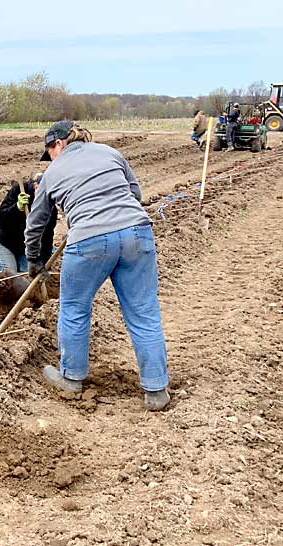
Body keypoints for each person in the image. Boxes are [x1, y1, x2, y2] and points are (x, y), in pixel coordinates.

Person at [25, 120, 170, 411]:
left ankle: (71, 378)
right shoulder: (108, 152)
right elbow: (136, 195)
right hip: (137, 233)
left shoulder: (52, 172)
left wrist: (33, 259)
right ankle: (156, 390)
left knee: (74, 308)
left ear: (59, 144)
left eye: (50, 151)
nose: (51, 157)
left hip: (89, 240)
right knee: (144, 312)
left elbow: (36, 223)